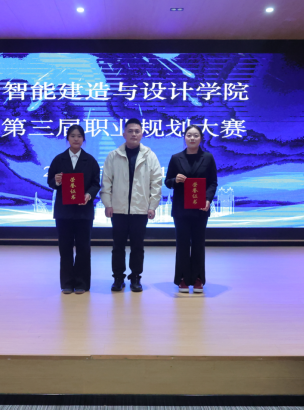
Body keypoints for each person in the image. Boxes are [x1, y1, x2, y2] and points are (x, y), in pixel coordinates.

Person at [101, 118, 163, 292]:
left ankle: (136, 277)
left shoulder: (150, 156)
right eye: (130, 131)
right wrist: (107, 203)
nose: (134, 134)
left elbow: (156, 182)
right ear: (124, 134)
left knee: (137, 247)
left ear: (142, 134)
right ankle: (118, 278)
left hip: (140, 209)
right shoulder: (113, 155)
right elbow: (106, 181)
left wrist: (152, 206)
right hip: (118, 209)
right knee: (118, 246)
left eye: (137, 131)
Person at [47, 125, 101, 295]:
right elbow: (50, 182)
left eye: (79, 136)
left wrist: (88, 195)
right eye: (72, 136)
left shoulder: (90, 160)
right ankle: (67, 283)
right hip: (64, 212)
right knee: (65, 248)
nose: (76, 139)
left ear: (84, 139)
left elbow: (96, 184)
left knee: (83, 248)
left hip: (84, 212)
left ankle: (82, 283)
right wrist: (56, 180)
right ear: (67, 139)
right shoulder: (59, 159)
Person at [165, 125, 218, 294]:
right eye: (189, 135)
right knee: (182, 244)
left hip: (200, 208)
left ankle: (197, 279)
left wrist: (208, 199)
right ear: (184, 138)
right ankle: (182, 278)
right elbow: (167, 182)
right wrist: (175, 180)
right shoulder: (176, 158)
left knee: (198, 244)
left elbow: (213, 182)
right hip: (181, 209)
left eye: (196, 135)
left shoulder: (208, 158)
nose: (192, 138)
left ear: (201, 138)